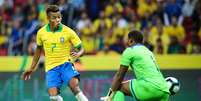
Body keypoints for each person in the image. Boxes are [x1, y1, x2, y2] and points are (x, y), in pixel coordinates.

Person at [21, 5, 88, 101]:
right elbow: (38, 51)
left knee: (74, 85)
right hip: (51, 68)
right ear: (48, 18)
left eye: (59, 17)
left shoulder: (68, 32)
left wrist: (79, 54)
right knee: (53, 97)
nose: (58, 19)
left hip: (66, 64)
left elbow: (82, 49)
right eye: (54, 17)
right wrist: (31, 68)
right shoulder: (41, 33)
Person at [101, 30, 170, 101]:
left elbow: (119, 76)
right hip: (165, 90)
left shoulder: (130, 50)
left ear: (131, 41)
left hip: (149, 87)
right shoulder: (149, 52)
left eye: (127, 40)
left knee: (118, 87)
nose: (126, 42)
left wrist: (109, 96)